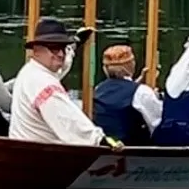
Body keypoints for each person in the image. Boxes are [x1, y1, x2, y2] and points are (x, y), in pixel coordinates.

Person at [9, 17, 114, 145]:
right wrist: (99, 140)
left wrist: (76, 42)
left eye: (63, 48)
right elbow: (67, 120)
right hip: (40, 158)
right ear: (36, 51)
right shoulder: (43, 83)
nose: (60, 54)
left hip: (24, 150)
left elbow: (63, 67)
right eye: (54, 48)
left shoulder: (30, 71)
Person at [92, 43, 161, 145]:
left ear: (105, 69)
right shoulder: (142, 92)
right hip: (133, 149)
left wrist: (137, 83)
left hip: (103, 144)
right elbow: (158, 123)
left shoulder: (98, 89)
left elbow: (119, 94)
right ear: (131, 65)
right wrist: (154, 96)